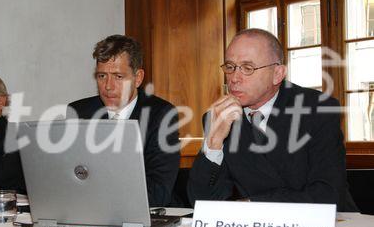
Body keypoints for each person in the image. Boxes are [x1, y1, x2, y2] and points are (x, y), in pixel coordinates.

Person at [187, 29, 357, 211]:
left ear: (278, 73)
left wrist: (253, 205)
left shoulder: (318, 109)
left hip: (332, 226)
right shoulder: (220, 116)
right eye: (230, 67)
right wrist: (213, 144)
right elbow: (202, 202)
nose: (234, 78)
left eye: (247, 68)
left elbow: (328, 195)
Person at [67, 34, 180, 207]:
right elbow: (69, 177)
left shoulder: (161, 115)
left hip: (146, 217)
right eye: (102, 76)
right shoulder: (79, 112)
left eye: (118, 77)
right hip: (88, 212)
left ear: (138, 78)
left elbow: (158, 192)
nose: (108, 86)